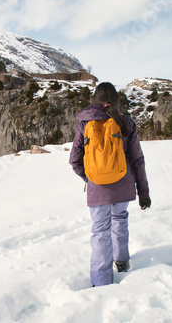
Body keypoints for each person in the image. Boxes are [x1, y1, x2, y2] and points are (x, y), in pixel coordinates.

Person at [69, 82, 151, 287]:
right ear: (116, 100)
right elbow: (137, 160)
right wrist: (143, 193)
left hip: (98, 190)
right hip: (122, 186)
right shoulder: (126, 123)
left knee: (100, 232)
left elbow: (74, 160)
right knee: (120, 220)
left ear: (94, 100)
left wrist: (90, 178)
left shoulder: (85, 125)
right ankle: (122, 262)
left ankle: (101, 280)